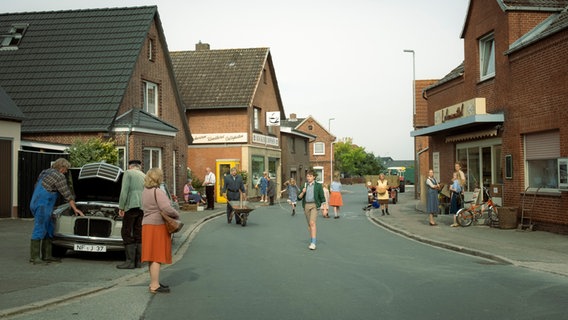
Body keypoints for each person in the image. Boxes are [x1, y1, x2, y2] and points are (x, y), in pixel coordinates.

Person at [29, 158, 84, 264]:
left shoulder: (45, 172)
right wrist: (75, 209)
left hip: (36, 201)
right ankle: (35, 257)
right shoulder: (59, 176)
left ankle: (47, 255)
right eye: (66, 169)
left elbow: (37, 186)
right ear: (62, 168)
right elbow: (67, 194)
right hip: (43, 205)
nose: (67, 171)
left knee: (49, 228)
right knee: (40, 228)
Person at [141, 167, 179, 294]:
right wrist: (176, 214)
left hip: (147, 225)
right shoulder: (158, 191)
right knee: (157, 256)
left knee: (151, 256)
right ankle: (155, 285)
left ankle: (153, 282)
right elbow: (166, 208)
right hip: (157, 226)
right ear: (158, 178)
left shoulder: (145, 191)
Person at [116, 159, 146, 269]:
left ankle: (129, 262)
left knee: (126, 232)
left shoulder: (128, 173)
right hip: (142, 206)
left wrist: (121, 207)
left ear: (130, 166)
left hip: (131, 205)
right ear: (139, 166)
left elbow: (124, 191)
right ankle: (139, 262)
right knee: (138, 232)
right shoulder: (144, 175)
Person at [297, 170, 325, 250]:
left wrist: (324, 208)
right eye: (307, 176)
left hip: (314, 205)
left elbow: (322, 197)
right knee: (309, 224)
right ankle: (312, 238)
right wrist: (303, 192)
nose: (308, 178)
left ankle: (313, 243)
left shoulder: (318, 186)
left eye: (310, 176)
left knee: (312, 223)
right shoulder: (304, 186)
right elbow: (298, 198)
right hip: (306, 205)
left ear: (314, 177)